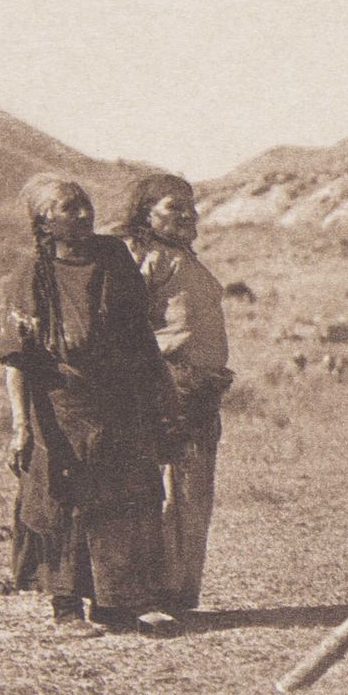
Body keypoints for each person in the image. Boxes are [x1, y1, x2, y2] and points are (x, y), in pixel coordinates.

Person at [0, 175, 182, 635]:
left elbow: (140, 335)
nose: (85, 213)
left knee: (125, 495)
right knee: (66, 501)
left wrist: (160, 395)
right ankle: (66, 608)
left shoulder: (113, 256)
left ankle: (114, 602)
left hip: (120, 400)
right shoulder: (33, 273)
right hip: (62, 405)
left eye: (86, 203)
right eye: (69, 207)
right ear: (45, 221)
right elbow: (17, 359)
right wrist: (21, 427)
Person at [115, 170, 233, 615]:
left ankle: (179, 593)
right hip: (163, 387)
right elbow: (124, 323)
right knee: (160, 490)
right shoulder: (142, 256)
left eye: (190, 206)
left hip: (201, 389)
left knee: (191, 492)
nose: (187, 215)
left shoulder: (184, 258)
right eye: (173, 207)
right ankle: (147, 594)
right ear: (146, 212)